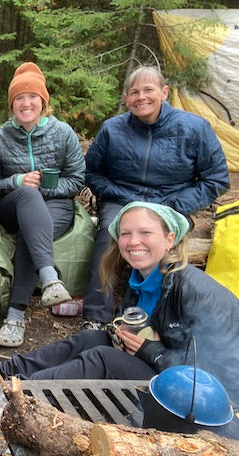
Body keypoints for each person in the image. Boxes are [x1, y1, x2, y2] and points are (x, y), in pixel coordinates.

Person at [0, 201, 239, 421]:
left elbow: (219, 374)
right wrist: (124, 336)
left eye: (145, 232)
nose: (133, 242)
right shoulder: (139, 278)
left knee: (103, 356)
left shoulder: (194, 290)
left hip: (207, 403)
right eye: (126, 234)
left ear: (170, 239)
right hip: (164, 369)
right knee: (94, 339)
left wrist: (151, 350)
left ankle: (11, 399)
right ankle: (0, 376)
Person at [82, 66, 229, 328]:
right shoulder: (112, 129)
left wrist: (175, 205)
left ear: (164, 92)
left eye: (148, 90)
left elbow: (216, 179)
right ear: (126, 99)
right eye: (134, 92)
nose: (141, 97)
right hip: (122, 200)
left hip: (170, 202)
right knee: (109, 232)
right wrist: (123, 197)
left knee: (162, 240)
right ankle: (95, 316)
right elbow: (92, 172)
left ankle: (162, 318)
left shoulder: (194, 128)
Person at [0, 62, 85, 348]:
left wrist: (45, 187)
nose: (26, 103)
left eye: (32, 97)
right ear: (12, 104)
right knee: (28, 198)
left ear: (43, 102)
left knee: (33, 235)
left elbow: (77, 180)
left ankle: (15, 316)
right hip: (11, 206)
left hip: (56, 207)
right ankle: (49, 276)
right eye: (19, 98)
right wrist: (17, 181)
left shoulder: (63, 133)